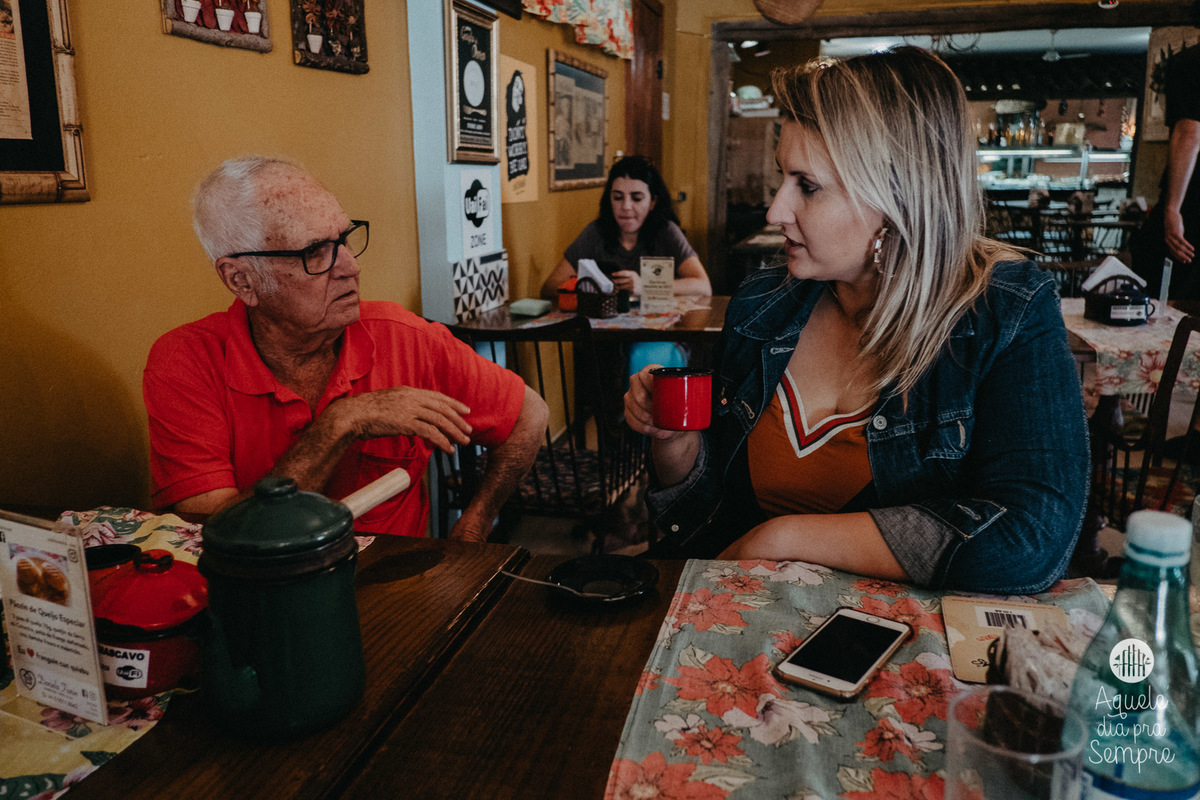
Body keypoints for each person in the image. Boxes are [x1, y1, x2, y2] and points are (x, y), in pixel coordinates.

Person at [623, 47, 1089, 594]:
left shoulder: (1004, 309)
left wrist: (784, 538)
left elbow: (1033, 540)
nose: (776, 211)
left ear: (896, 196)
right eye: (782, 178)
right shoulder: (763, 303)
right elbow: (706, 524)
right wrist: (674, 445)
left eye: (808, 185)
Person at [143, 155, 548, 541]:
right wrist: (341, 424)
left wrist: (476, 524)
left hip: (396, 591)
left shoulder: (402, 336)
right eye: (314, 252)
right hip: (265, 596)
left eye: (345, 239)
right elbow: (218, 534)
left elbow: (529, 415)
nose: (351, 267)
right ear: (242, 280)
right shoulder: (186, 362)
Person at [542, 155, 712, 373]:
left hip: (659, 338)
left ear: (652, 202)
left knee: (643, 358)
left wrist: (644, 286)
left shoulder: (666, 232)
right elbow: (550, 286)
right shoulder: (596, 233)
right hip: (607, 342)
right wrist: (592, 289)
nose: (626, 206)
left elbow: (703, 286)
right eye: (618, 197)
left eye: (637, 197)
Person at [1131, 29, 1200, 298]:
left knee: (1168, 298)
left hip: (1193, 202)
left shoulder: (1191, 62)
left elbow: (1189, 133)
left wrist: (1172, 208)